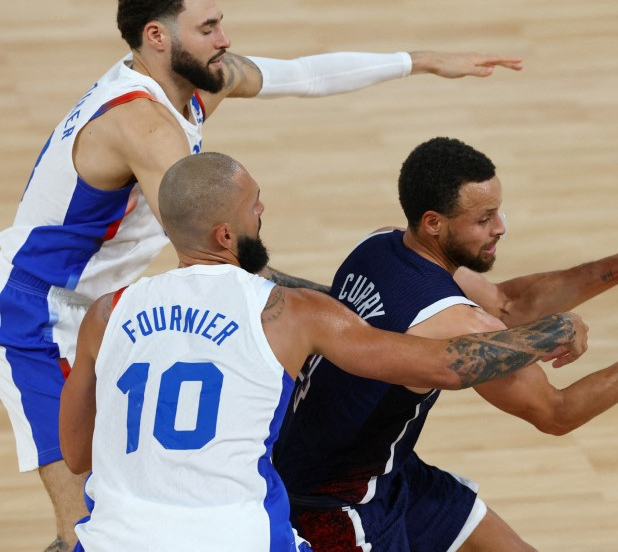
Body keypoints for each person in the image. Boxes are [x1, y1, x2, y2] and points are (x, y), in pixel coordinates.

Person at [0, 0, 523, 548]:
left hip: (93, 302)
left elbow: (302, 75)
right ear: (156, 37)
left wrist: (419, 61)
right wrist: (356, 306)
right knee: (83, 527)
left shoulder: (194, 78)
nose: (224, 38)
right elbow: (222, 256)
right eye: (207, 28)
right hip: (36, 315)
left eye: (219, 21)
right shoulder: (146, 129)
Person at [58, 151, 589, 551]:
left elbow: (78, 455)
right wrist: (548, 333)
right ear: (226, 233)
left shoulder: (106, 314)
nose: (262, 211)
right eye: (254, 205)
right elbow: (445, 365)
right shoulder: (291, 312)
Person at [272, 137, 618, 551]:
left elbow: (508, 304)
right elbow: (556, 412)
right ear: (434, 222)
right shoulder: (457, 326)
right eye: (484, 219)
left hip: (383, 473)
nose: (501, 227)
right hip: (330, 508)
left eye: (499, 211)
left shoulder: (378, 244)